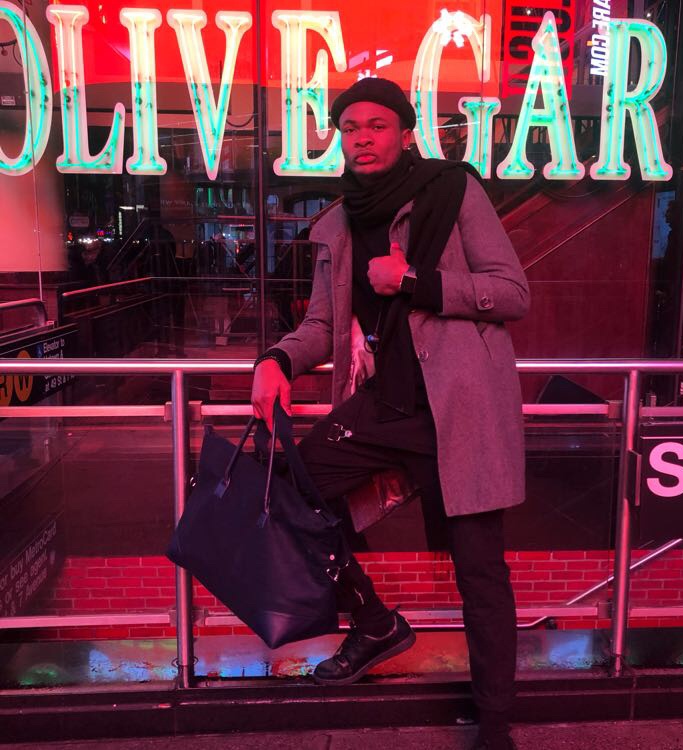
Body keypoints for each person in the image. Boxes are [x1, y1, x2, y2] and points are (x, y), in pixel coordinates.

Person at [251, 78, 529, 750]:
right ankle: (374, 622)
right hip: (388, 406)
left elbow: (512, 293)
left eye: (376, 126)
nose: (362, 139)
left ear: (405, 133)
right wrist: (277, 360)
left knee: (480, 575)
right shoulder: (338, 222)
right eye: (349, 129)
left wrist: (413, 281)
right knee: (286, 489)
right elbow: (323, 325)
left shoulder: (452, 191)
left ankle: (496, 727)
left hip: (462, 412)